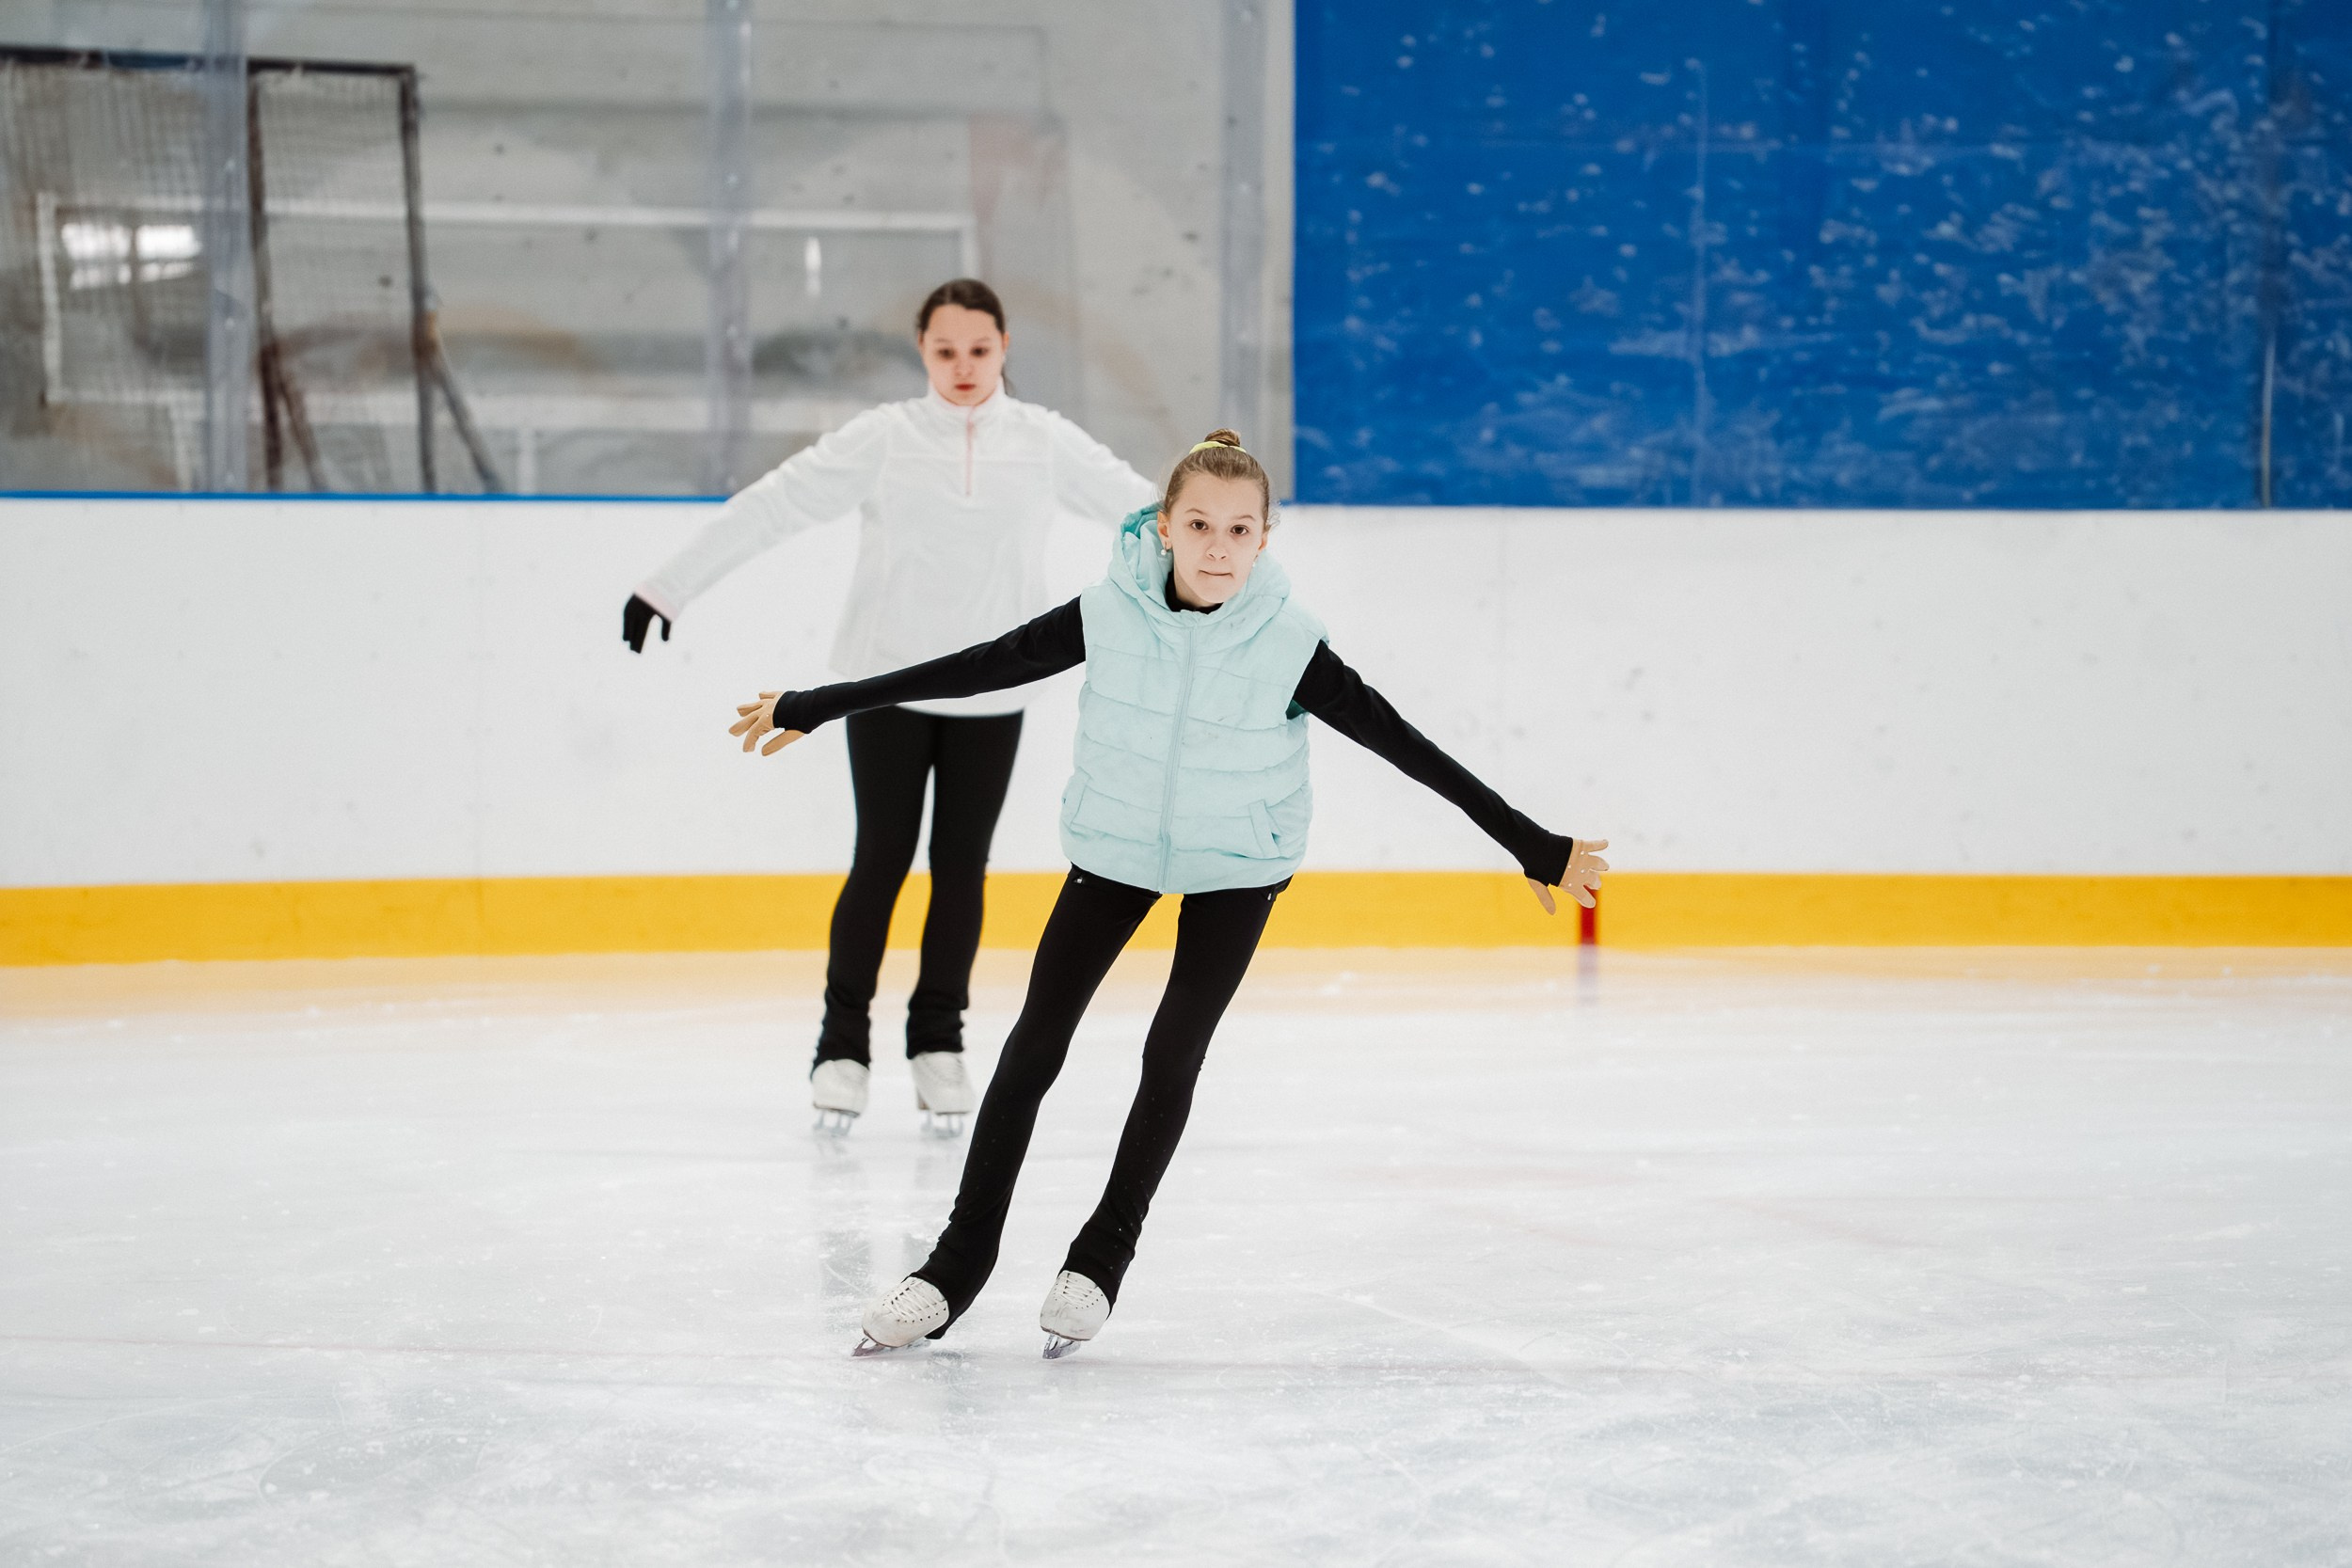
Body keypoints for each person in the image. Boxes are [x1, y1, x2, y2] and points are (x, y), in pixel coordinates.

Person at [728, 431, 1609, 1356]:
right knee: (1032, 1046)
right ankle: (954, 1265)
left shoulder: (1290, 644)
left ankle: (1100, 1256)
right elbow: (978, 664)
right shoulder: (1107, 612)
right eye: (1198, 523)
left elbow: (1407, 746)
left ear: (1264, 538)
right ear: (1164, 526)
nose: (1218, 545)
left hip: (1238, 865)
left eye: (1238, 528)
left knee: (1170, 1050)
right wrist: (821, 700)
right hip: (1115, 850)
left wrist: (1533, 846)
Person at [626, 278, 1156, 1135]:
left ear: (1005, 346)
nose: (962, 367)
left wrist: (1233, 550)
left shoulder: (1046, 441)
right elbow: (775, 504)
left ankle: (937, 1043)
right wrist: (668, 586)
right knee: (880, 858)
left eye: (979, 350)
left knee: (961, 867)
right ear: (922, 349)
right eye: (945, 351)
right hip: (886, 683)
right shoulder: (886, 438)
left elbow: (1150, 516)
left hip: (993, 688)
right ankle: (842, 1046)